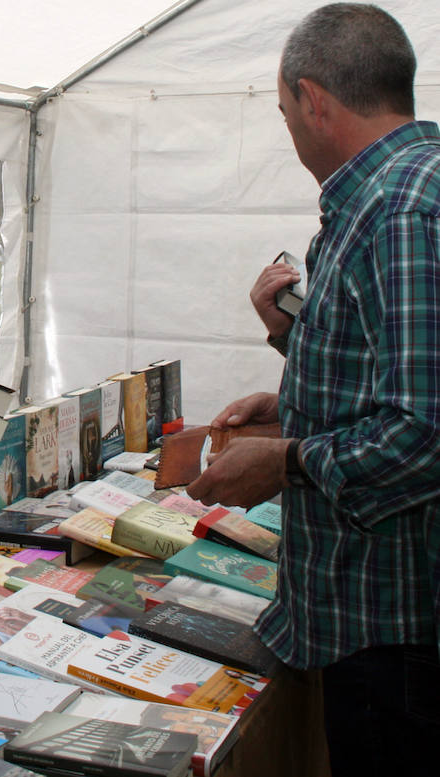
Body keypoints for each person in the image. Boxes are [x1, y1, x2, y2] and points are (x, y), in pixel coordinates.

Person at [186, 5, 440, 775]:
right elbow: (386, 362)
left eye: (284, 110)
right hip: (383, 621)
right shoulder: (397, 187)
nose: (289, 128)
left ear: (313, 99)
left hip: (392, 626)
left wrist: (287, 459)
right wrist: (290, 372)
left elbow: (425, 430)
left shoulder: (400, 209)